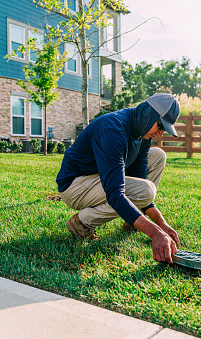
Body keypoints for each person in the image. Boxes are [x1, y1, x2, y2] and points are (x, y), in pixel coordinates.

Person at [56, 93, 181, 263]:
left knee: (158, 156)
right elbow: (116, 194)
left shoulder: (142, 134)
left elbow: (139, 180)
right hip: (75, 186)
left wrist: (161, 223)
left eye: (164, 130)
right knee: (146, 191)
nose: (160, 133)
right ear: (149, 114)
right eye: (160, 126)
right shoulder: (113, 130)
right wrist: (154, 233)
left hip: (100, 179)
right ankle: (82, 223)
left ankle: (132, 220)